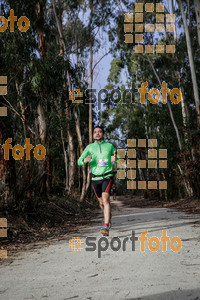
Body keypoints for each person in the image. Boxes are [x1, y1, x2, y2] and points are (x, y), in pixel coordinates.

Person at [78, 126, 118, 236]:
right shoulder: (89, 148)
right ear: (93, 135)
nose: (97, 133)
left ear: (103, 134)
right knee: (101, 202)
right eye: (95, 132)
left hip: (107, 176)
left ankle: (106, 225)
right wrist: (85, 160)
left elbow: (116, 156)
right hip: (95, 178)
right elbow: (78, 161)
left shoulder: (109, 146)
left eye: (100, 132)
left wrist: (116, 158)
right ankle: (108, 216)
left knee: (105, 199)